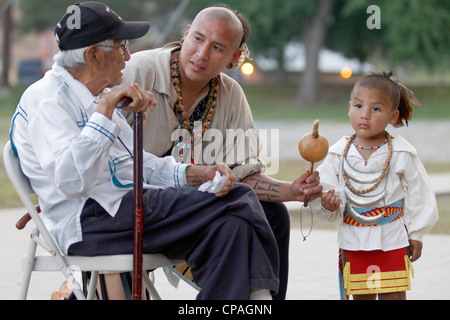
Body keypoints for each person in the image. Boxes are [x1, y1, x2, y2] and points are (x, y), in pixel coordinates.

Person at [8, 1, 289, 300]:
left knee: (232, 226)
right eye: (121, 45)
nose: (128, 56)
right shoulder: (47, 99)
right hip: (93, 220)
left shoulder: (94, 96)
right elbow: (70, 182)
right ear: (93, 55)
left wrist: (194, 174)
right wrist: (104, 113)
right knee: (239, 198)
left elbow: (139, 163)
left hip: (125, 208)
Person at [120, 4, 322, 300]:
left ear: (234, 58)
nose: (201, 54)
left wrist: (293, 190)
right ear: (186, 34)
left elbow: (243, 175)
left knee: (273, 215)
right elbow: (97, 141)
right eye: (198, 39)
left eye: (217, 47)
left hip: (192, 209)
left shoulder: (230, 94)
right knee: (234, 218)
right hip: (138, 204)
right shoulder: (141, 69)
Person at [309, 72, 439, 300]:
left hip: (392, 238)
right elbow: (324, 187)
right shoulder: (338, 152)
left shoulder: (401, 152)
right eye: (358, 105)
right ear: (349, 107)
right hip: (355, 238)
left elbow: (421, 193)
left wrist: (417, 233)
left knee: (394, 295)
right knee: (362, 296)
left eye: (376, 109)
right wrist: (328, 203)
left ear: (393, 115)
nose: (365, 115)